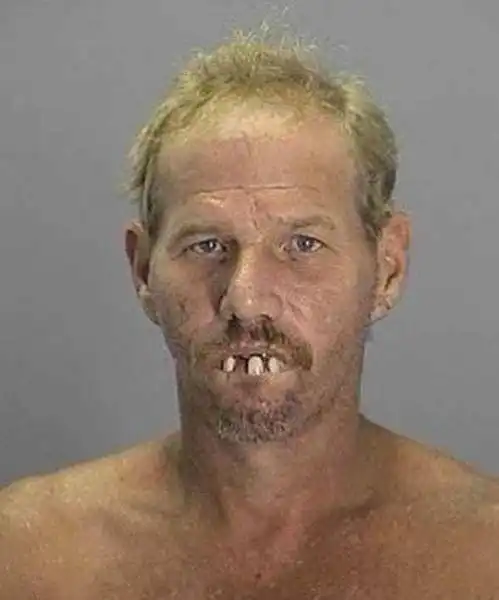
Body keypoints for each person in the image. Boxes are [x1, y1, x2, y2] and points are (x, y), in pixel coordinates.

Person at [1, 28, 498, 600]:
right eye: (206, 245)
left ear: (387, 267)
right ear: (142, 270)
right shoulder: (28, 557)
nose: (246, 299)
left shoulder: (483, 557)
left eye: (303, 245)